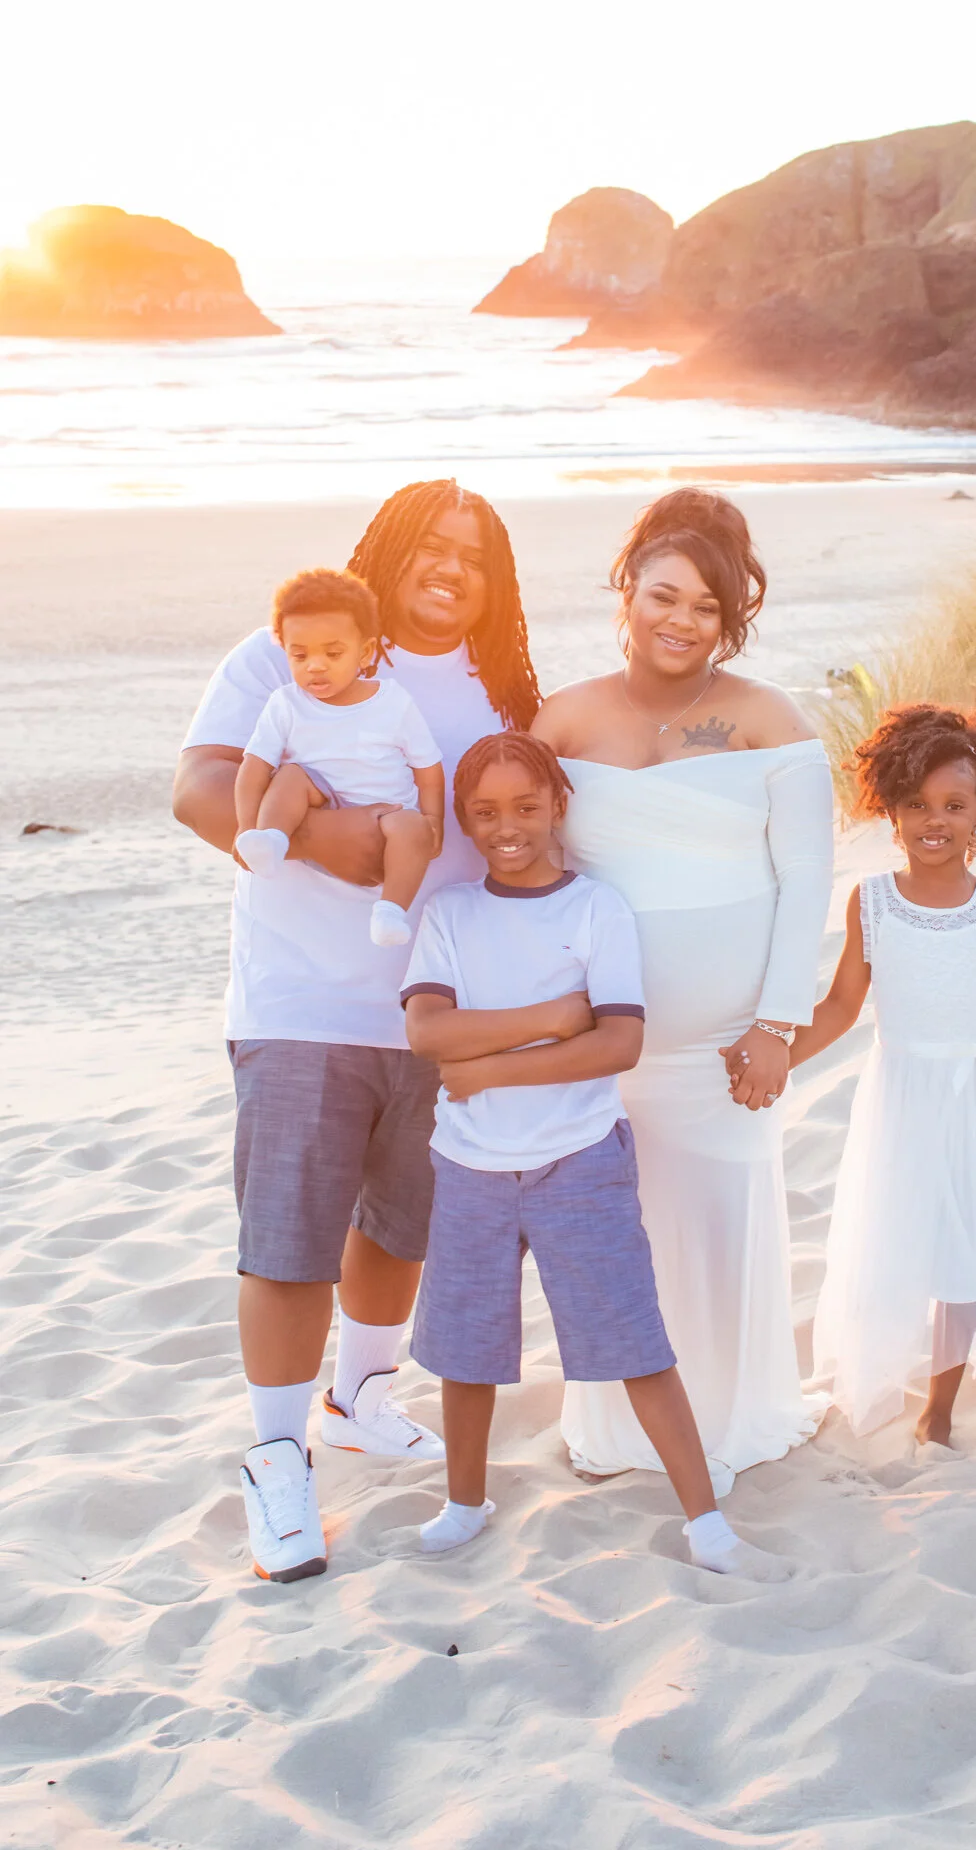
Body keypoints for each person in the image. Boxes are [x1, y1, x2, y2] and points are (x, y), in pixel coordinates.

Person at [173, 479, 539, 1583]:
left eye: (474, 555)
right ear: (386, 548)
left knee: (403, 1224)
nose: (450, 568)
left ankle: (361, 1398)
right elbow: (199, 789)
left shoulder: (500, 687)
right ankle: (277, 1459)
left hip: (439, 1009)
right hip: (303, 1001)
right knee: (291, 1239)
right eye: (431, 544)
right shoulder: (290, 653)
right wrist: (330, 838)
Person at [401, 732, 787, 1577]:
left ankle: (707, 1526)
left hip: (579, 1161)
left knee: (632, 1340)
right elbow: (427, 1031)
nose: (507, 826)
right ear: (464, 820)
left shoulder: (594, 909)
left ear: (558, 808)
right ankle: (464, 1503)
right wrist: (550, 1018)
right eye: (485, 812)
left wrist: (487, 1068)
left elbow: (617, 1044)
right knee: (465, 1348)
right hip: (469, 1166)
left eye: (526, 807)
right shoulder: (450, 915)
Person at [531, 488, 834, 1495]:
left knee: (718, 1226)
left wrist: (777, 1025)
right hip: (606, 1042)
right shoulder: (564, 718)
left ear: (730, 619)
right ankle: (618, 1423)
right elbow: (531, 871)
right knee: (620, 1235)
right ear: (627, 591)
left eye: (707, 607)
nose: (681, 620)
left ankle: (732, 1414)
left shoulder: (767, 717)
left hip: (725, 1049)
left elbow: (806, 878)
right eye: (663, 595)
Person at [791, 703, 976, 1447]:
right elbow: (840, 1006)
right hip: (903, 1102)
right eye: (917, 805)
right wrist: (778, 1057)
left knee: (960, 1259)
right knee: (918, 1254)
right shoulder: (872, 902)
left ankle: (940, 1411)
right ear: (891, 810)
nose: (935, 821)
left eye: (955, 806)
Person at [234, 567, 445, 949]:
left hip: (387, 818)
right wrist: (246, 828)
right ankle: (270, 840)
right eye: (300, 655)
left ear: (364, 651)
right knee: (290, 775)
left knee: (412, 827)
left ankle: (390, 911)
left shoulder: (393, 702)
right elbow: (253, 769)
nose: (315, 665)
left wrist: (434, 820)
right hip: (319, 805)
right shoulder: (286, 704)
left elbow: (428, 769)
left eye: (333, 653)